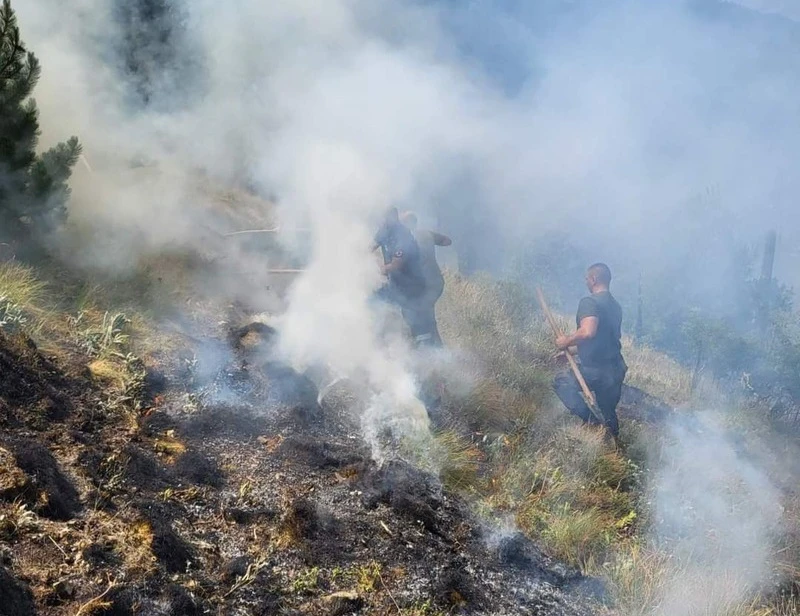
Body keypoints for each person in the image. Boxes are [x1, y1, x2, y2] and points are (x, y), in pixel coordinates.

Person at [552, 263, 627, 440]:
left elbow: (588, 332)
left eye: (587, 279)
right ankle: (615, 448)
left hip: (597, 370)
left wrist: (565, 341)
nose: (586, 282)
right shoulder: (616, 307)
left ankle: (592, 424)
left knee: (562, 382)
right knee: (608, 410)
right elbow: (601, 341)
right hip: (616, 369)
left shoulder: (589, 302)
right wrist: (571, 351)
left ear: (593, 279)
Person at [371, 207, 432, 346]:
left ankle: (428, 355)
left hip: (412, 286)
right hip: (395, 284)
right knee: (376, 305)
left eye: (385, 217)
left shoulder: (403, 236)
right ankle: (382, 344)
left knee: (415, 321)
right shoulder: (383, 230)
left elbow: (395, 265)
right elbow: (370, 247)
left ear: (393, 217)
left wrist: (374, 270)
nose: (382, 220)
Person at [399, 211, 452, 347]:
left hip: (423, 285)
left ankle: (427, 349)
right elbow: (447, 241)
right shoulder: (426, 233)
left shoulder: (405, 240)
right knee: (426, 314)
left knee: (416, 314)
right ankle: (434, 349)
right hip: (436, 282)